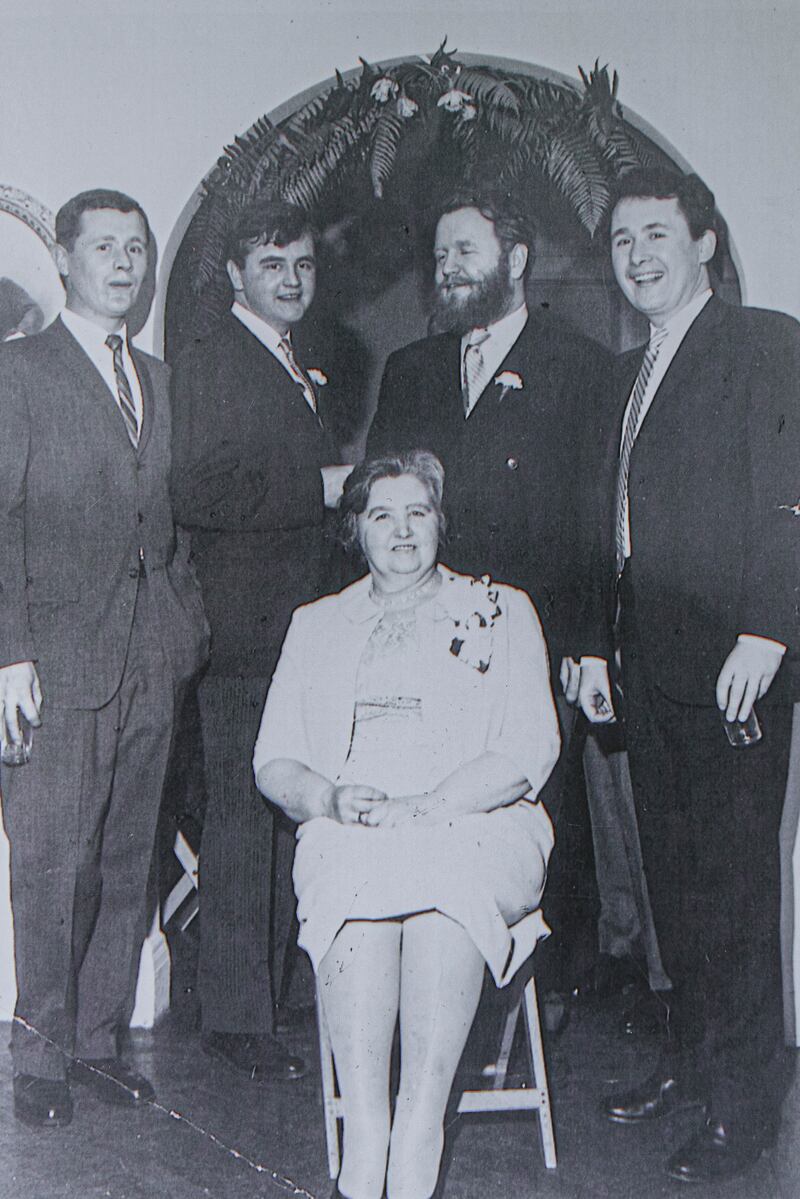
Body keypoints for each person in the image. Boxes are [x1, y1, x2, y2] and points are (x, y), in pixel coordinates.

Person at [253, 451, 559, 1199]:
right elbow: (274, 758)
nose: (400, 530)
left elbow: (529, 749)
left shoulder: (500, 608)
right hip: (355, 820)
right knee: (348, 873)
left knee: (448, 884)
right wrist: (328, 798)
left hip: (477, 816)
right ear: (355, 530)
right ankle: (367, 1136)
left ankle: (419, 1130)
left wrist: (429, 805)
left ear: (440, 524)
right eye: (381, 514)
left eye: (417, 511)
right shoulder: (316, 623)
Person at [577, 168, 800, 1183]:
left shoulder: (762, 345)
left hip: (729, 668)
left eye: (657, 233)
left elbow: (785, 498)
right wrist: (592, 643)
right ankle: (694, 1064)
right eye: (622, 239)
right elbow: (609, 531)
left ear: (704, 242)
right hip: (647, 665)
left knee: (733, 892)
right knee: (672, 888)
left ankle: (743, 1106)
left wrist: (765, 630)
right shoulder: (632, 371)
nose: (638, 254)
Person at [0, 189, 209, 1128]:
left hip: (151, 659)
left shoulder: (161, 380)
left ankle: (95, 1044)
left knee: (128, 864)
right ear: (64, 258)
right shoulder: (19, 374)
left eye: (137, 247)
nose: (124, 263)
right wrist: (9, 656)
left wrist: (185, 630)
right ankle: (39, 1056)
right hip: (54, 662)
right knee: (53, 863)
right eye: (104, 247)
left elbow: (169, 525)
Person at [170, 200, 352, 1082]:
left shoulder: (288, 362)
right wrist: (318, 486)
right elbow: (196, 488)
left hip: (294, 632)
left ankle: (268, 997)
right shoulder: (213, 361)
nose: (291, 278)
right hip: (243, 635)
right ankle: (237, 1017)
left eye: (304, 265)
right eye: (272, 263)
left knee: (283, 811)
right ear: (236, 275)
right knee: (246, 821)